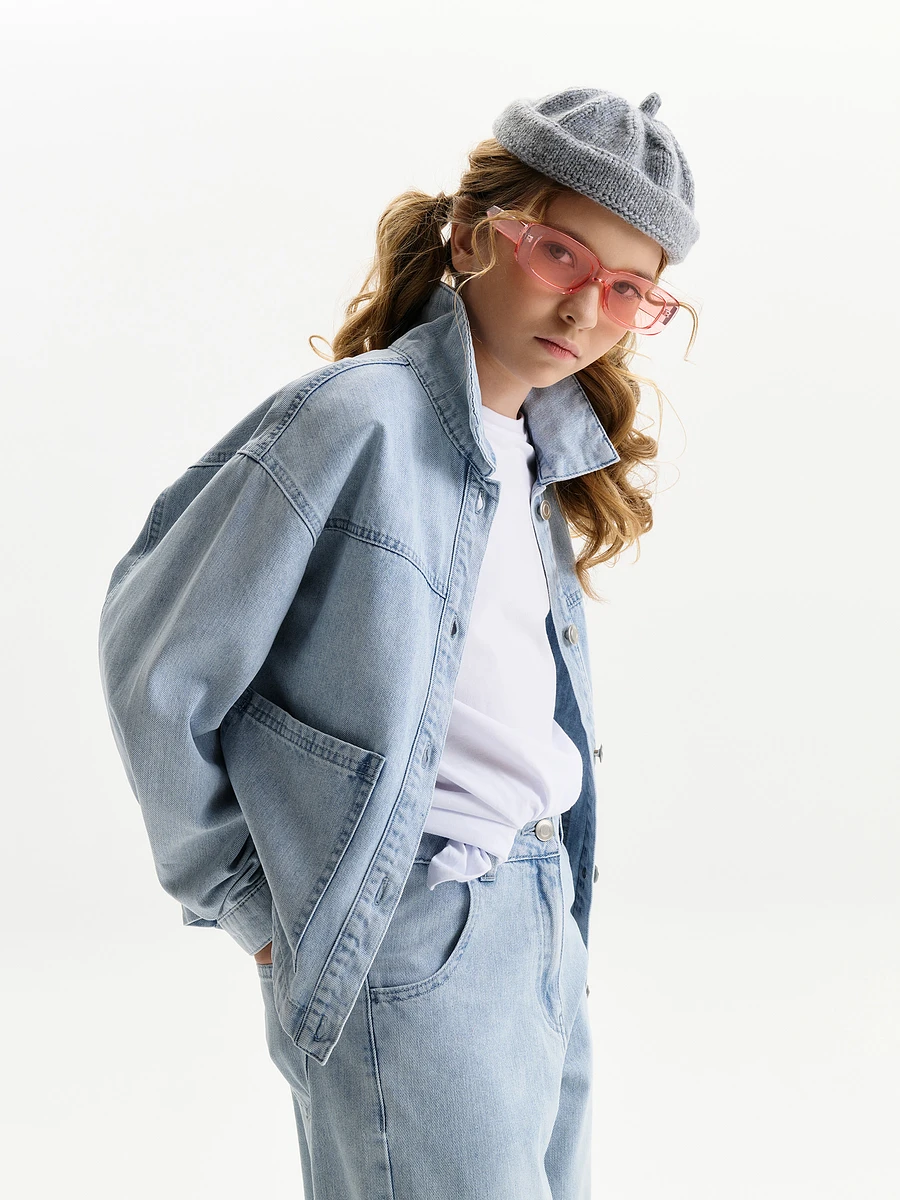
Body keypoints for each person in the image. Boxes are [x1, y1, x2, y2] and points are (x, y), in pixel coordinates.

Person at [97, 85, 700, 1199]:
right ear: (473, 236)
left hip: (542, 920)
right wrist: (250, 902)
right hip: (416, 925)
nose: (585, 308)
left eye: (628, 290)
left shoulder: (542, 457)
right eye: (560, 254)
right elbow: (155, 660)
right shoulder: (355, 418)